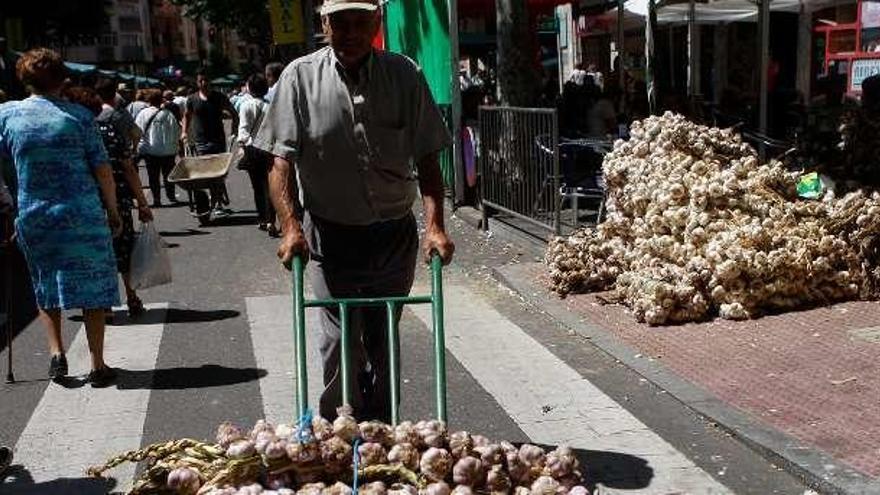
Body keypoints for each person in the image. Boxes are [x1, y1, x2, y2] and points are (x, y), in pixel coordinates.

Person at [255, 0, 455, 422]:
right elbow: (280, 162)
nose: (350, 33)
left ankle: (383, 430)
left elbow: (428, 159)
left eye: (360, 22)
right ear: (323, 23)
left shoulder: (404, 74)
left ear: (377, 23)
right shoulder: (299, 77)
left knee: (383, 336)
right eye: (339, 23)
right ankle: (339, 429)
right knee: (339, 341)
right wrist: (291, 227)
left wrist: (435, 226)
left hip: (392, 234)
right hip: (330, 232)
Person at [0, 48, 121, 386]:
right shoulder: (80, 117)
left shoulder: (7, 115)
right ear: (61, 79)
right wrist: (112, 210)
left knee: (45, 282)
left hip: (35, 214)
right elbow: (102, 169)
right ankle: (98, 364)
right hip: (81, 214)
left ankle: (56, 353)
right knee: (94, 286)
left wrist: (7, 201)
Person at [92, 81, 155, 317]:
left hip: (88, 203)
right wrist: (143, 203)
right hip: (118, 197)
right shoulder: (115, 127)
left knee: (100, 252)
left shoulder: (79, 133)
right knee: (124, 249)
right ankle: (132, 297)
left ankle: (106, 304)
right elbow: (129, 168)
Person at [182, 70, 238, 220]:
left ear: (210, 82)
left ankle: (218, 203)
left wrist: (234, 129)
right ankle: (207, 202)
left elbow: (233, 113)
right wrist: (184, 132)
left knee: (217, 175)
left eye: (206, 80)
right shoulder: (192, 99)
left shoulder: (219, 97)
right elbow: (186, 116)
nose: (203, 83)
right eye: (200, 81)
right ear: (197, 82)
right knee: (203, 175)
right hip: (200, 142)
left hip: (218, 141)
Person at [236, 74, 277, 236]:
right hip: (269, 149)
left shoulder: (246, 106)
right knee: (270, 185)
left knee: (257, 187)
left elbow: (243, 131)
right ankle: (271, 220)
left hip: (252, 150)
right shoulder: (271, 106)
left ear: (250, 89)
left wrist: (242, 144)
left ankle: (262, 218)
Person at [136, 89, 181, 206]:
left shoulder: (143, 114)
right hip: (168, 151)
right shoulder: (168, 114)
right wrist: (176, 146)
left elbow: (137, 132)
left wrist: (136, 147)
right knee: (168, 175)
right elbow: (176, 131)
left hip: (150, 150)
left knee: (153, 176)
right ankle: (171, 197)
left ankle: (157, 199)